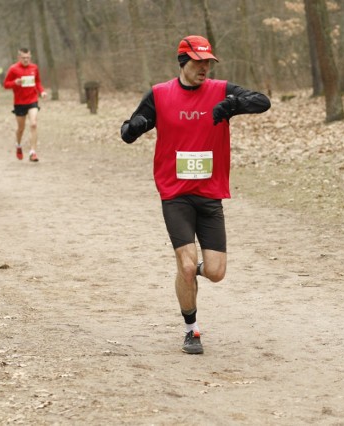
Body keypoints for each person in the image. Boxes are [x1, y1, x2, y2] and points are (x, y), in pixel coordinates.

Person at [120, 35, 271, 355]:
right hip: (175, 194)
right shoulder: (160, 95)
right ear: (182, 62)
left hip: (210, 194)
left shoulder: (221, 91)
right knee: (188, 266)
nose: (204, 67)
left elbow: (263, 101)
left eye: (208, 62)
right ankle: (191, 330)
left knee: (215, 272)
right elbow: (128, 132)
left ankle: (187, 272)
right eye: (198, 62)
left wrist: (233, 105)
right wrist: (136, 126)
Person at [3, 48, 47, 162]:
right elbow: (6, 84)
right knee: (21, 128)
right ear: (19, 58)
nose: (26, 60)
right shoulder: (13, 69)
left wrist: (41, 91)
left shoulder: (34, 67)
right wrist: (14, 83)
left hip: (32, 100)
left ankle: (33, 152)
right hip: (19, 102)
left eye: (28, 57)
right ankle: (18, 145)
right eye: (23, 58)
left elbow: (37, 82)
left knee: (33, 124)